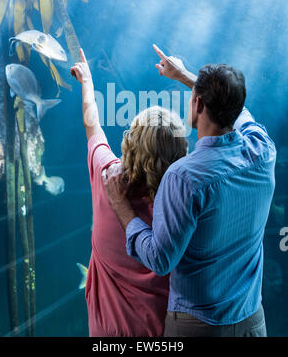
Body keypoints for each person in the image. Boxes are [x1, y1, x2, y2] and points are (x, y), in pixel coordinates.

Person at [103, 45, 277, 337]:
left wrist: (121, 206)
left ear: (197, 104)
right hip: (251, 321)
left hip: (198, 327)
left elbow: (160, 259)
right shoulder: (263, 150)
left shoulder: (184, 177)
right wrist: (185, 76)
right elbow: (242, 111)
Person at [70, 48, 188, 337]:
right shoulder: (184, 206)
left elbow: (92, 125)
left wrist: (87, 82)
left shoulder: (106, 175)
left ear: (130, 141)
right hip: (161, 333)